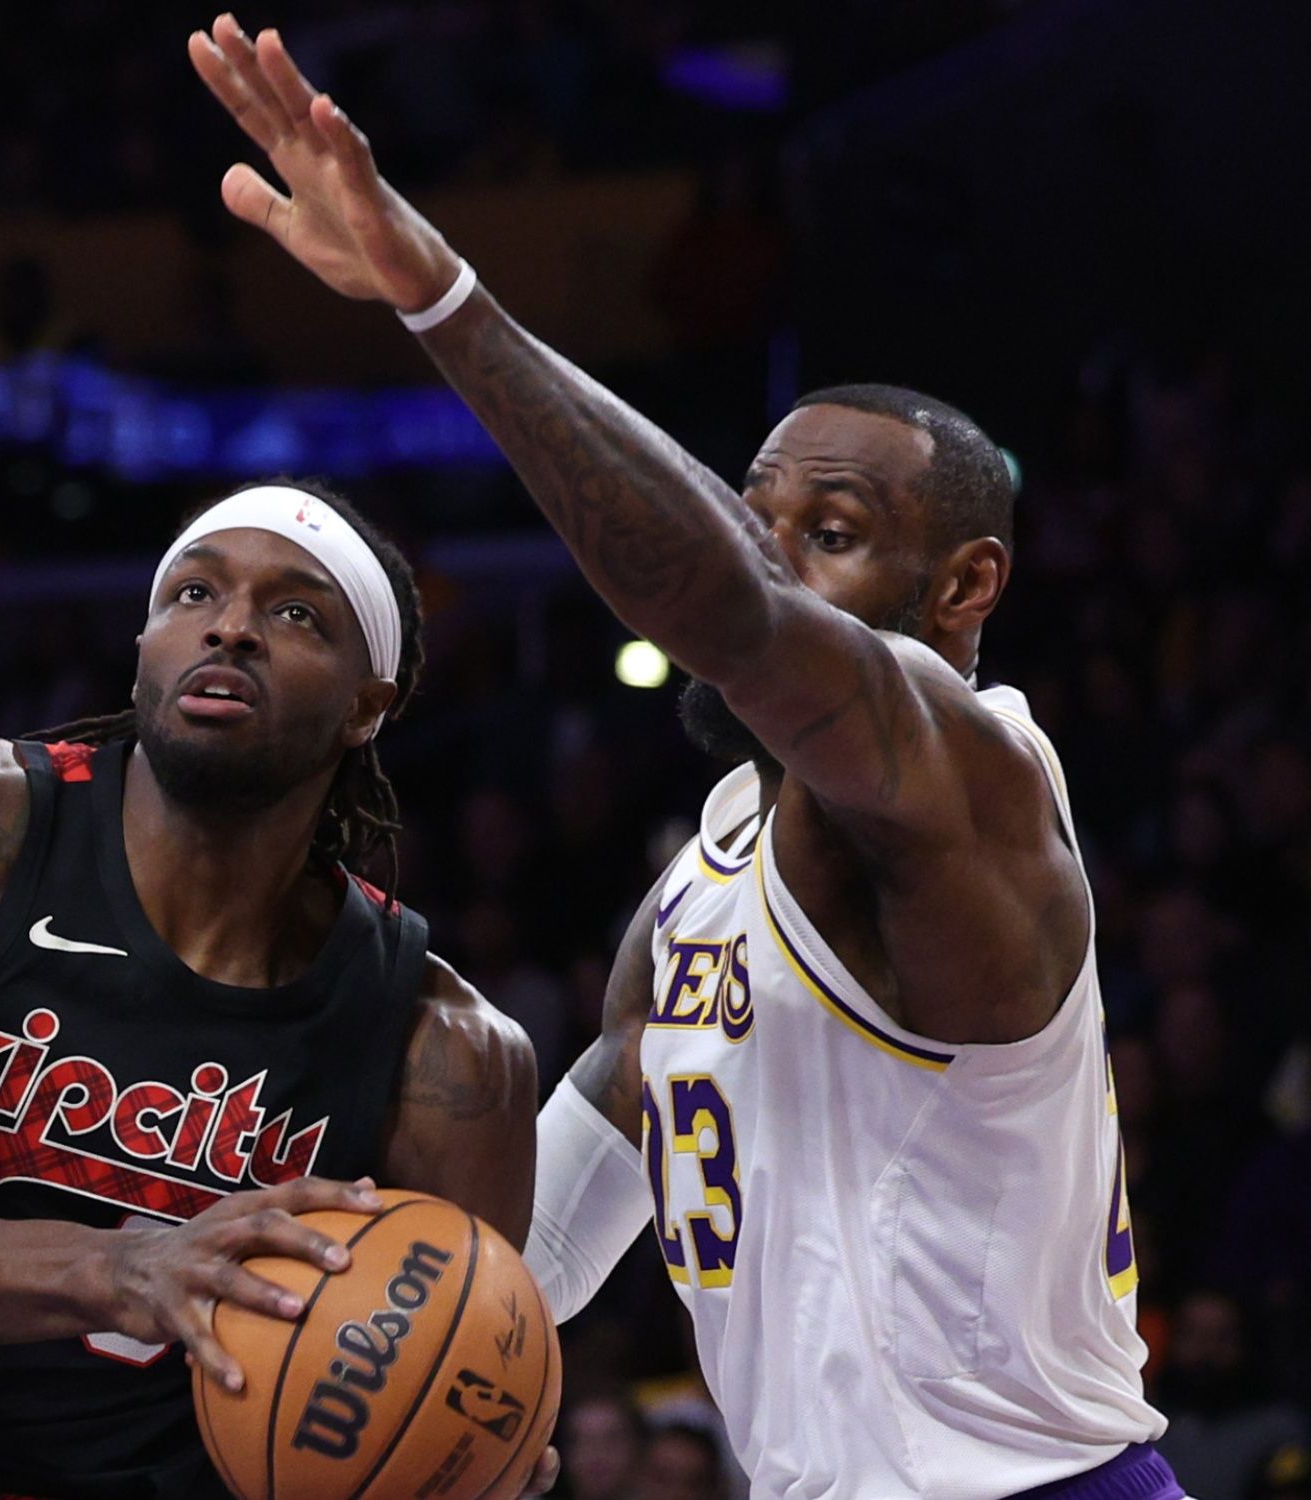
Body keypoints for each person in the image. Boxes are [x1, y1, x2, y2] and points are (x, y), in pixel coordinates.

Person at [187, 16, 1170, 1497]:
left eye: (828, 537)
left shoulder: (973, 775)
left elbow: (723, 602)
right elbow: (587, 1183)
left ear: (966, 587)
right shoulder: (705, 868)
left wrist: (437, 294)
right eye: (757, 512)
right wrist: (404, 1345)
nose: (775, 557)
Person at [0, 482, 548, 1498]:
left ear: (367, 706)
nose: (230, 628)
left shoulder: (448, 1049)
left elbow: (451, 1389)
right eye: (193, 594)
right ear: (144, 643)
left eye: (295, 614)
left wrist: (463, 1459)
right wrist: (119, 1270)